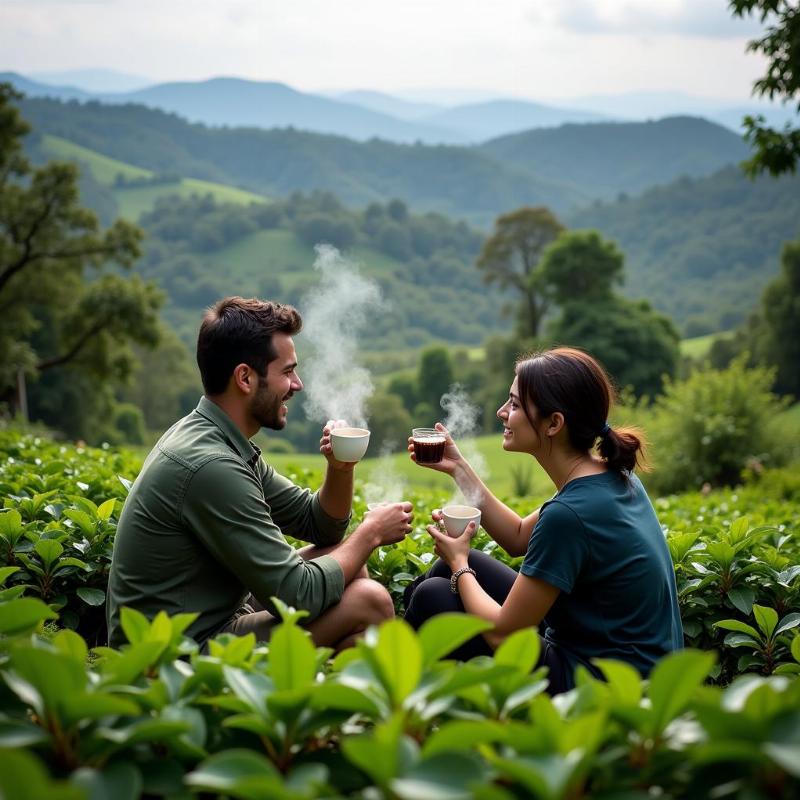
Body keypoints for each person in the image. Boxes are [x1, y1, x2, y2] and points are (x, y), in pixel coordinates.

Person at [107, 296, 413, 651]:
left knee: (347, 569)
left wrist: (340, 468)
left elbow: (320, 525)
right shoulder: (212, 466)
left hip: (209, 618)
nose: (297, 385)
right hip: (168, 654)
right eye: (286, 372)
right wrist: (371, 533)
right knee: (368, 600)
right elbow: (298, 593)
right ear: (245, 378)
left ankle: (322, 699)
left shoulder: (217, 436)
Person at [403, 347, 683, 694]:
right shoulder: (611, 476)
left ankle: (400, 701)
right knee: (449, 574)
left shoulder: (569, 515)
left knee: (435, 595)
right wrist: (458, 468)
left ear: (554, 423)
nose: (501, 412)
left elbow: (503, 634)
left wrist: (459, 563)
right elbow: (518, 536)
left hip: (603, 687)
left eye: (516, 405)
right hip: (639, 671)